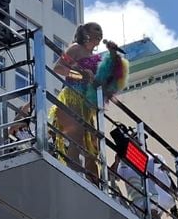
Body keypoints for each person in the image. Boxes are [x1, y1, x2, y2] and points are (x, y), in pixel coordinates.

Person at [48, 22, 128, 179]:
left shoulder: (97, 58)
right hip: (73, 96)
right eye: (96, 29)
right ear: (86, 33)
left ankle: (94, 181)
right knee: (76, 134)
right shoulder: (75, 48)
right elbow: (58, 67)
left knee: (92, 144)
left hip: (87, 103)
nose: (100, 32)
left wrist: (113, 55)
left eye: (101, 30)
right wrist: (80, 75)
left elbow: (107, 80)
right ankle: (72, 171)